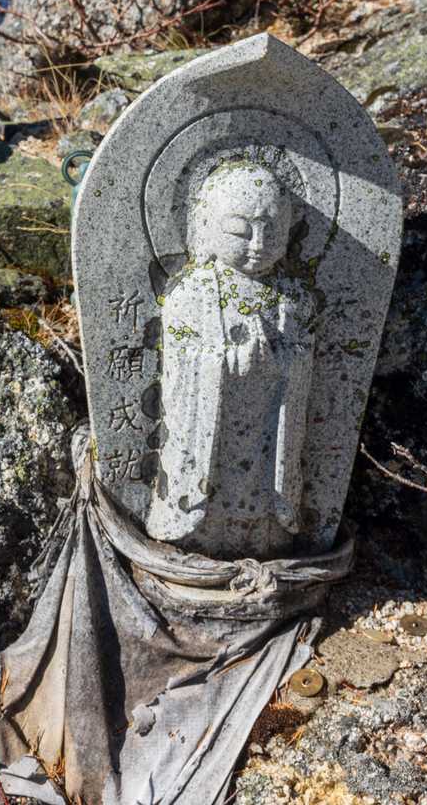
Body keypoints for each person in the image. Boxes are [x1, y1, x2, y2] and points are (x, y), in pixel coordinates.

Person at [148, 161, 315, 558]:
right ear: (206, 226)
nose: (258, 244)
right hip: (210, 432)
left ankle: (265, 547)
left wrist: (282, 364)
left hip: (268, 428)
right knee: (212, 505)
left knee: (259, 508)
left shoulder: (293, 298)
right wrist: (222, 363)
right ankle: (196, 547)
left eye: (271, 231)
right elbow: (179, 367)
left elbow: (303, 359)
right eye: (241, 231)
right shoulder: (192, 293)